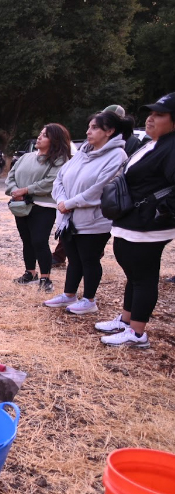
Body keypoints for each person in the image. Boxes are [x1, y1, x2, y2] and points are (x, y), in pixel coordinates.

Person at [96, 92, 175, 347]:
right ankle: (127, 320)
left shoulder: (172, 147)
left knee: (143, 277)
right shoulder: (153, 143)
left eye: (159, 115)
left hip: (148, 225)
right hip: (131, 220)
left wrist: (159, 211)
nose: (151, 119)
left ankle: (138, 333)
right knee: (133, 273)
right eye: (150, 114)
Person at [43, 112, 131, 314]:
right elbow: (60, 178)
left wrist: (71, 203)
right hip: (68, 217)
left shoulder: (117, 156)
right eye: (89, 126)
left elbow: (101, 188)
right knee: (73, 258)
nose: (88, 131)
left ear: (109, 131)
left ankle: (89, 299)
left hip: (94, 220)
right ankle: (69, 295)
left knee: (89, 259)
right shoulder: (83, 152)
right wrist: (62, 201)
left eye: (94, 128)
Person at [5, 123, 72, 293]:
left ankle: (45, 278)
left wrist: (26, 190)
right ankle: (30, 273)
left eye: (45, 135)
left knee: (39, 241)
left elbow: (50, 181)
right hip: (21, 205)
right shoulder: (26, 157)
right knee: (27, 240)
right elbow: (11, 176)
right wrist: (15, 192)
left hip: (43, 206)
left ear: (55, 140)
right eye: (40, 133)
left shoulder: (60, 160)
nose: (39, 137)